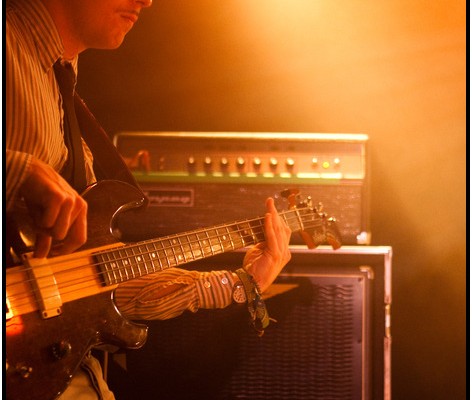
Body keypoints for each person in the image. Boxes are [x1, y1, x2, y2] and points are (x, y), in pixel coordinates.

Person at [5, 0, 292, 398]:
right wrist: (15, 169)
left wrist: (240, 283)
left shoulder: (60, 78)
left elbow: (95, 281)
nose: (147, 0)